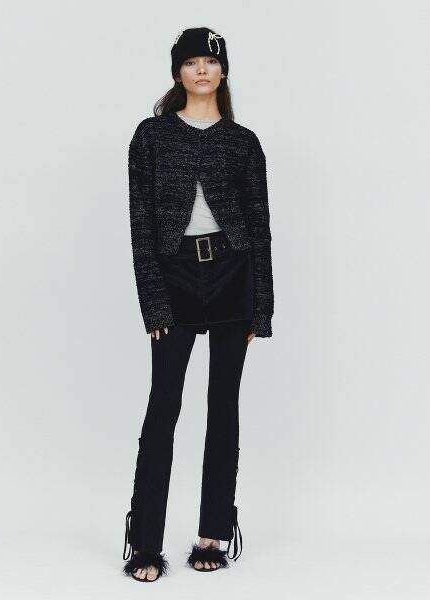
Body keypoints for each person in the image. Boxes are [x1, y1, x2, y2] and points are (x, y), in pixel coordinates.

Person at [122, 26, 274, 582]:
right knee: (164, 407)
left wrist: (261, 305)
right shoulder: (151, 137)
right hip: (175, 275)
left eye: (209, 61)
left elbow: (260, 227)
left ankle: (214, 531)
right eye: (190, 62)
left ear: (223, 70)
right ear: (178, 73)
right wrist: (154, 303)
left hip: (234, 275)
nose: (201, 70)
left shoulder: (243, 142)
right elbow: (141, 225)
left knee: (223, 407)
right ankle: (145, 541)